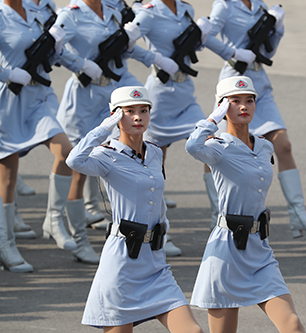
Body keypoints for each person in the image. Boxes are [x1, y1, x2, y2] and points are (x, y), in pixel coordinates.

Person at [67, 86, 203, 333]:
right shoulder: (106, 155)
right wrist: (103, 129)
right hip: (122, 261)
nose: (138, 117)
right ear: (116, 115)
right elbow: (74, 160)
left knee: (193, 330)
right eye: (129, 111)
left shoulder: (153, 152)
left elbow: (157, 198)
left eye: (143, 110)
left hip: (155, 261)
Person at [186, 76, 306, 332]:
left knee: (292, 324)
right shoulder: (217, 147)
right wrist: (213, 119)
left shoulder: (264, 145)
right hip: (227, 249)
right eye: (235, 101)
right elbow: (192, 146)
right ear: (222, 106)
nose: (244, 106)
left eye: (249, 100)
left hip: (259, 249)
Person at [203, 0, 306, 237]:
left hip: (259, 83)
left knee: (283, 145)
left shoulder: (260, 7)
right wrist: (232, 52)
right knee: (214, 147)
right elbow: (204, 36)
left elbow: (268, 51)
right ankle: (217, 215)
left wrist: (278, 27)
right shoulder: (224, 6)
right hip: (234, 81)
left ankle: (298, 214)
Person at [53, 0, 152, 263]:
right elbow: (53, 49)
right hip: (84, 99)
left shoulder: (113, 11)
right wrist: (80, 63)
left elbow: (121, 51)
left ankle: (132, 232)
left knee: (120, 158)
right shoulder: (70, 15)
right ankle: (79, 241)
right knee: (77, 169)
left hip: (111, 93)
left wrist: (130, 43)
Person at [131, 0, 213, 256]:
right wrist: (154, 58)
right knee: (156, 162)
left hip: (185, 92)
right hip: (161, 94)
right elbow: (125, 43)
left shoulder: (185, 9)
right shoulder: (149, 12)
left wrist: (201, 35)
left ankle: (221, 219)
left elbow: (192, 46)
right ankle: (159, 231)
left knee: (210, 144)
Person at [0, 0, 73, 272]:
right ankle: (5, 245)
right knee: (7, 178)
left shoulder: (34, 12)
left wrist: (56, 46)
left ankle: (53, 220)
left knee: (66, 153)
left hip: (39, 99)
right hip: (8, 102)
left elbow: (49, 58)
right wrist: (7, 73)